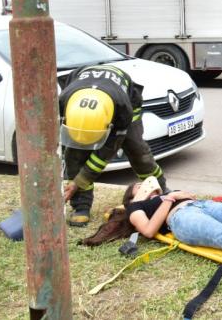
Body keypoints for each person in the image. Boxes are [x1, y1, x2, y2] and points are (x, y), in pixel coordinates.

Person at [59, 64, 167, 227]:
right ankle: (81, 206)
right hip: (82, 89)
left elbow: (105, 153)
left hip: (123, 102)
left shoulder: (123, 110)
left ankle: (161, 190)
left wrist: (79, 181)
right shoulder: (63, 101)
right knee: (73, 155)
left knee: (137, 150)